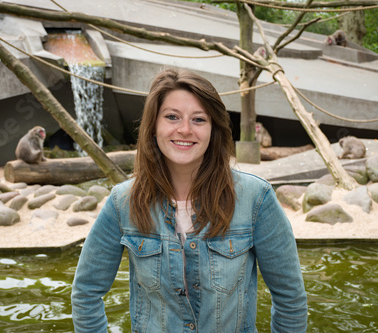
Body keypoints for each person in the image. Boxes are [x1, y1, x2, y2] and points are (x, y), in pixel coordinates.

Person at [71, 68, 308, 332]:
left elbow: (290, 299)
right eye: (172, 117)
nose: (184, 129)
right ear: (153, 127)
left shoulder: (256, 199)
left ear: (213, 129)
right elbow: (86, 292)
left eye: (198, 119)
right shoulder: (122, 202)